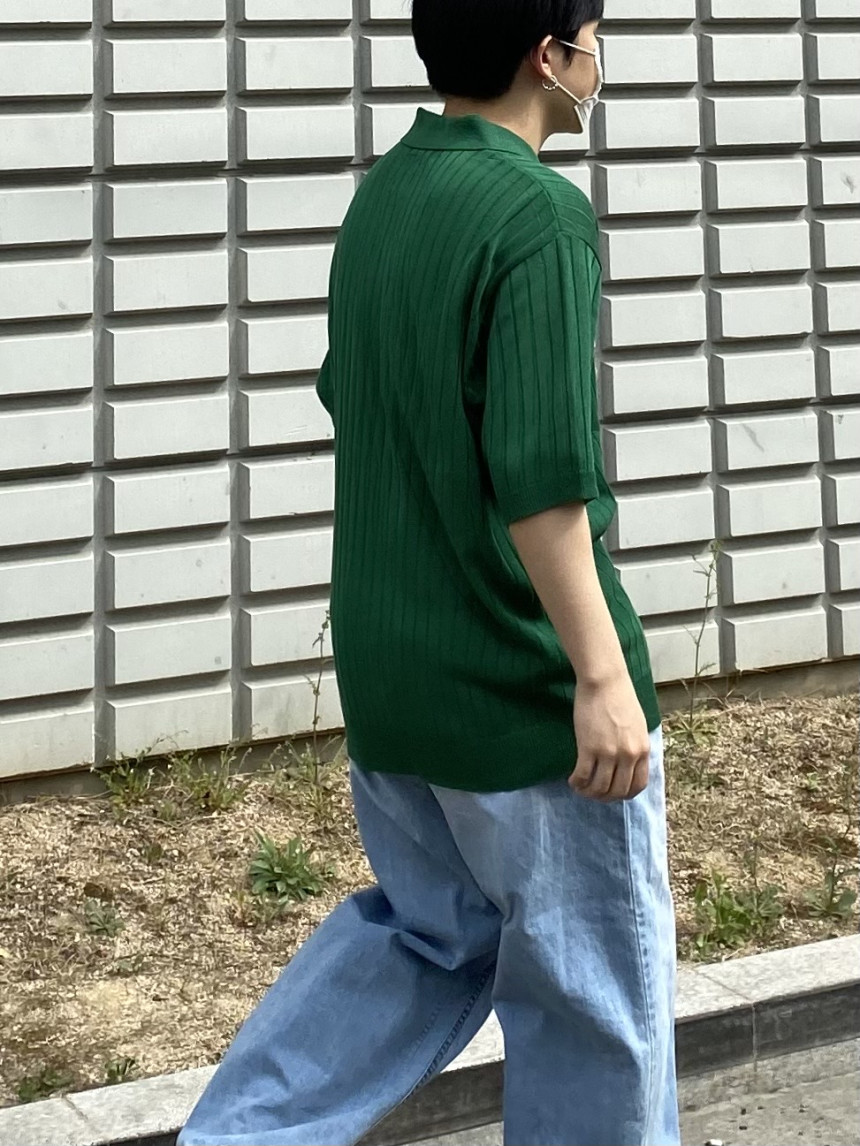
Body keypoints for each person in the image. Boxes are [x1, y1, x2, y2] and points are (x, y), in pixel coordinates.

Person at [179, 1, 679, 1143]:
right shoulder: (536, 214)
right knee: (597, 998)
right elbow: (541, 477)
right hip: (519, 685)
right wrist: (601, 676)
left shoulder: (388, 195)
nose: (598, 59)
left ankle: (239, 1135)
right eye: (594, 36)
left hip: (392, 669)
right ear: (548, 56)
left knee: (429, 937)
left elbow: (355, 402)